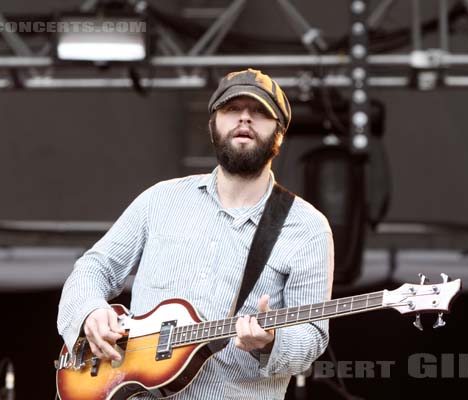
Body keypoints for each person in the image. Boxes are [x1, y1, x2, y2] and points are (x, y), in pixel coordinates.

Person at [57, 68, 334, 399]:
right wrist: (90, 311)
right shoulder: (161, 199)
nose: (245, 119)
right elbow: (94, 267)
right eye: (232, 109)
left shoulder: (307, 227)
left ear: (279, 133)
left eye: (260, 112)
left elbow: (313, 334)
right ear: (213, 125)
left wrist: (272, 341)